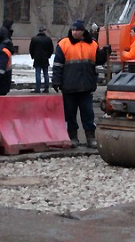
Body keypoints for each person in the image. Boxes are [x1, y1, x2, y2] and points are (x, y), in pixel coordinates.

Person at [52, 20, 109, 149]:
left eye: (77, 30)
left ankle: (90, 137)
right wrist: (56, 80)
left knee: (88, 113)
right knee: (70, 114)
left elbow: (97, 60)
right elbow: (57, 65)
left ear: (83, 31)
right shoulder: (63, 44)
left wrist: (105, 53)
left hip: (86, 86)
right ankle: (73, 137)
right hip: (69, 86)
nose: (75, 32)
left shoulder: (92, 44)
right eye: (73, 30)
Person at [28, 25, 54, 93]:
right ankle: (46, 88)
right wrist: (48, 56)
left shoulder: (34, 39)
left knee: (38, 73)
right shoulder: (48, 39)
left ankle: (38, 88)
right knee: (46, 73)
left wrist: (33, 56)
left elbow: (31, 49)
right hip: (45, 58)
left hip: (37, 58)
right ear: (44, 31)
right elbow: (51, 49)